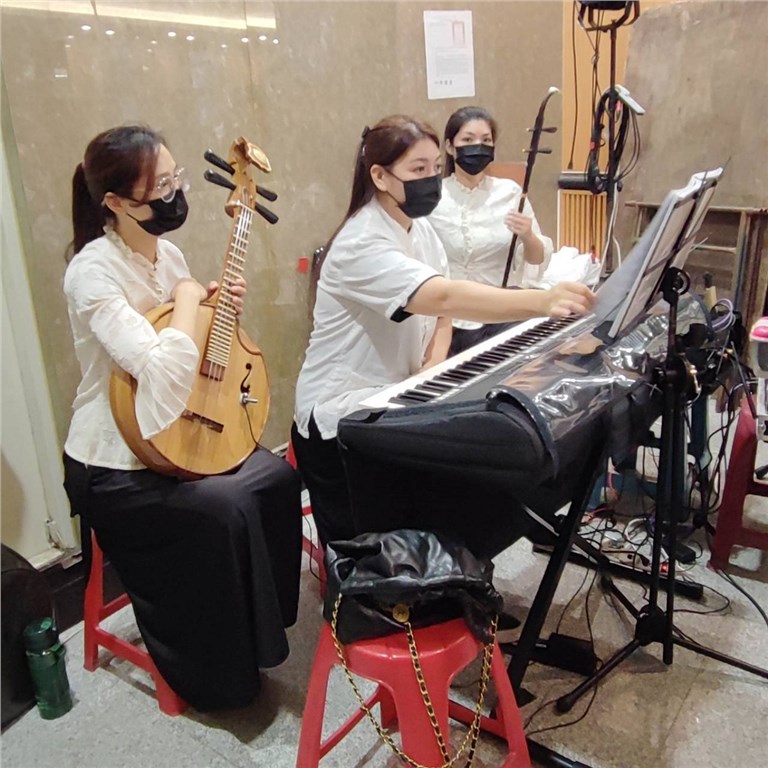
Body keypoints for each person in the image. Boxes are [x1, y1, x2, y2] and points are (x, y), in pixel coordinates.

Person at [62, 125, 302, 711]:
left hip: (174, 431)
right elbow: (161, 370)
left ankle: (263, 634)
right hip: (114, 461)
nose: (174, 196)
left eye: (177, 180)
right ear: (116, 203)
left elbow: (185, 348)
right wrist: (192, 298)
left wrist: (214, 305)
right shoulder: (92, 274)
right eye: (160, 188)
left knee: (276, 477)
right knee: (224, 507)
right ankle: (219, 676)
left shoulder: (166, 254)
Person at [291, 115, 593, 549]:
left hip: (394, 396)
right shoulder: (360, 242)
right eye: (418, 169)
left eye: (435, 168)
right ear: (380, 176)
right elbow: (444, 297)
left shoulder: (421, 230)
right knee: (371, 553)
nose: (431, 179)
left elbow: (441, 318)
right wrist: (542, 302)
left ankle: (461, 566)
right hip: (340, 413)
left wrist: (430, 371)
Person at [428, 106, 555, 354]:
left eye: (486, 140)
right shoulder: (433, 197)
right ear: (450, 147)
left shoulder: (510, 192)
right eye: (468, 140)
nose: (478, 147)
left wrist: (528, 235)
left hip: (499, 314)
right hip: (446, 319)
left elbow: (536, 259)